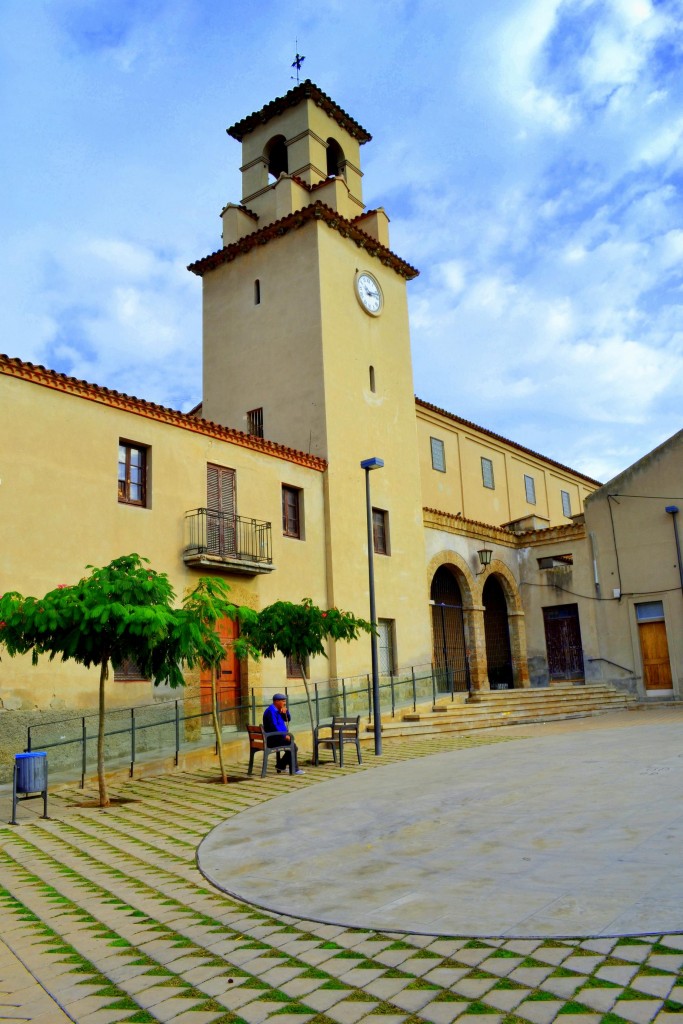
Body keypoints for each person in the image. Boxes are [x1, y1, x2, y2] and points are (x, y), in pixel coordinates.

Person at [262, 693, 304, 775]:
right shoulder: (271, 712)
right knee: (293, 746)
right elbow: (274, 727)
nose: (284, 703)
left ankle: (281, 765)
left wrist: (286, 712)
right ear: (276, 701)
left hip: (277, 737)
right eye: (283, 701)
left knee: (292, 746)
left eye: (285, 701)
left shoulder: (277, 710)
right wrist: (285, 736)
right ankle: (293, 769)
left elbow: (288, 719)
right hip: (273, 739)